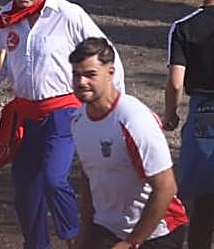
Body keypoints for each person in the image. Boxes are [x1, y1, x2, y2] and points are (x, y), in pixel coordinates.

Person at [0, 0, 124, 249]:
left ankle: (77, 238)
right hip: (25, 116)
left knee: (54, 179)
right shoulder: (5, 18)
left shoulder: (68, 14)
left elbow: (108, 55)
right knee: (26, 193)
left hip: (63, 112)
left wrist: (116, 107)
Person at [71, 37, 189, 249]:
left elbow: (166, 187)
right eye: (76, 74)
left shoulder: (133, 120)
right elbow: (89, 176)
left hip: (157, 233)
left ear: (110, 73)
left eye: (90, 75)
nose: (81, 82)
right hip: (106, 228)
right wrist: (85, 230)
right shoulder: (78, 120)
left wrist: (132, 242)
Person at [164, 0, 214, 248]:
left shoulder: (184, 27)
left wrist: (171, 113)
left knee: (202, 210)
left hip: (202, 119)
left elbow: (175, 82)